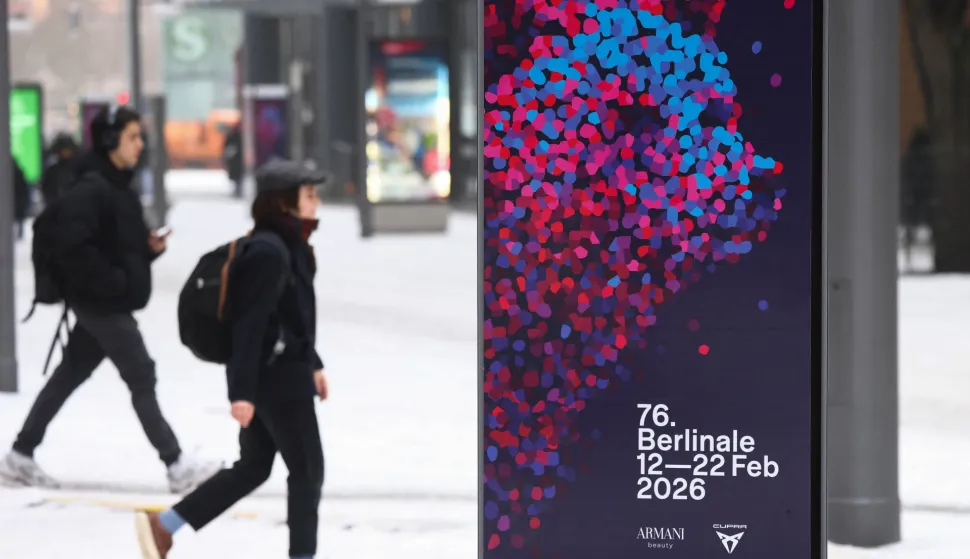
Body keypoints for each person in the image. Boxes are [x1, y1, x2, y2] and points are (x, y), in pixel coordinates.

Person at [0, 105, 220, 493]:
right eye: (133, 137)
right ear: (109, 141)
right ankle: (176, 465)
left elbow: (115, 244)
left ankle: (20, 453)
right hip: (101, 303)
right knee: (141, 374)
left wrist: (148, 249)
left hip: (102, 300)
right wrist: (114, 282)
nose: (140, 145)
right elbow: (76, 248)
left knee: (69, 375)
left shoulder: (115, 185)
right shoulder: (92, 188)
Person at [135, 159, 330, 559]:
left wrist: (314, 362)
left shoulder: (290, 249)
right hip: (276, 382)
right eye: (308, 196)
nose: (317, 203)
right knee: (308, 472)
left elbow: (289, 319)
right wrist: (240, 392)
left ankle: (165, 525)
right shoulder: (269, 253)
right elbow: (250, 324)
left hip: (283, 373)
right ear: (284, 205)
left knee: (255, 466)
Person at [40, 133, 79, 205]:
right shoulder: (52, 172)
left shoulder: (79, 169)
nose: (65, 152)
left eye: (67, 149)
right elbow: (47, 192)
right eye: (63, 150)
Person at [11, 155, 30, 240]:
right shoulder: (19, 172)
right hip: (18, 200)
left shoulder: (17, 173)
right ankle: (19, 236)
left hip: (17, 200)